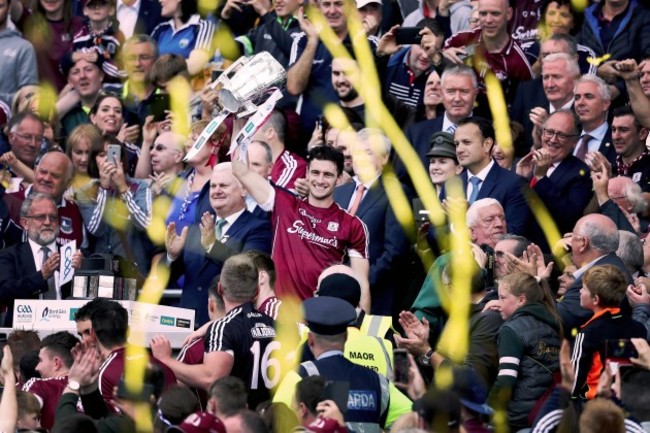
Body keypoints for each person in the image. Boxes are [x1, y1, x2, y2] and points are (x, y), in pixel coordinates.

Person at [232, 146, 370, 309]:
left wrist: (361, 329)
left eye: (328, 175)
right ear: (306, 173)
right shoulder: (283, 204)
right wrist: (238, 123)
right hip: (277, 314)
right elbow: (239, 169)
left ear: (338, 178)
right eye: (315, 172)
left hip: (318, 319)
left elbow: (362, 284)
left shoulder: (352, 224)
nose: (320, 180)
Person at [151, 253, 278, 410]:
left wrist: (165, 360)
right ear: (257, 291)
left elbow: (211, 377)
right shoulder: (276, 324)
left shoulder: (223, 328)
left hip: (237, 421)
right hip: (271, 418)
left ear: (220, 289)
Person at [275, 296, 412, 431]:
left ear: (310, 340)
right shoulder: (378, 382)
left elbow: (274, 421)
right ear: (346, 337)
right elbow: (414, 421)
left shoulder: (300, 376)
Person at [164, 162, 272, 326]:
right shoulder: (196, 229)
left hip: (230, 329)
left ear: (243, 189)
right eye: (213, 186)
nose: (216, 191)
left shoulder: (258, 228)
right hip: (187, 329)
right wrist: (172, 256)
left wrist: (212, 247)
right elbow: (166, 279)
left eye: (223, 185)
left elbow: (248, 272)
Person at [333, 129, 409, 315]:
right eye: (357, 152)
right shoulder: (340, 192)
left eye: (368, 152)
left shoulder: (396, 193)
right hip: (333, 292)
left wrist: (357, 283)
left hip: (375, 296)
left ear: (384, 158)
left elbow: (394, 253)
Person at [491, 272, 561, 432]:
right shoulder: (551, 323)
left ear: (521, 300)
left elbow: (506, 379)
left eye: (503, 298)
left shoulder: (511, 330)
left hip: (518, 417)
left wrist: (488, 410)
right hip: (544, 412)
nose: (498, 303)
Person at [75, 135, 153, 275]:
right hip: (101, 270)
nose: (106, 159)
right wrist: (104, 189)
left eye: (112, 153)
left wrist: (123, 188)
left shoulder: (140, 186)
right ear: (94, 160)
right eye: (101, 155)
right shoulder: (85, 191)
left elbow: (145, 223)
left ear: (122, 159)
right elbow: (95, 229)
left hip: (133, 270)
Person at [0, 193, 82, 326]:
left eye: (53, 217)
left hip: (66, 333)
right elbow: (4, 292)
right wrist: (41, 276)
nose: (48, 222)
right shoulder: (9, 255)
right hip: (23, 334)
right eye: (40, 217)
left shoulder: (72, 254)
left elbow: (86, 299)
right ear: (25, 223)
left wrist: (81, 274)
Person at [396, 65, 479, 189]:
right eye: (451, 91)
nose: (457, 98)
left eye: (464, 91)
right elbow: (401, 182)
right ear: (442, 93)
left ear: (475, 94)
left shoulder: (489, 133)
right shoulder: (415, 134)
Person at [571, 265, 646, 400]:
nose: (580, 292)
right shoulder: (638, 328)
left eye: (584, 288)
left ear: (595, 299)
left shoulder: (587, 333)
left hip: (595, 405)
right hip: (631, 403)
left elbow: (574, 380)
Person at [516, 109, 592, 239]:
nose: (553, 139)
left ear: (574, 141)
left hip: (549, 251)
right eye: (549, 132)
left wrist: (541, 178)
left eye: (561, 135)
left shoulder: (581, 174)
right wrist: (520, 179)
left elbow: (569, 218)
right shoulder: (527, 163)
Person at [448, 116, 531, 236]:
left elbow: (515, 234)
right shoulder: (451, 184)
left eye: (466, 142)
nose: (459, 149)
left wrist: (467, 217)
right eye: (457, 144)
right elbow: (433, 233)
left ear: (487, 144)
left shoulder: (514, 184)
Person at [90, 299, 176, 411]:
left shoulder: (104, 373)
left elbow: (108, 423)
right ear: (129, 331)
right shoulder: (163, 366)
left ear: (92, 334)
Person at [442, 0, 534, 101]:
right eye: (483, 14)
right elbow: (434, 67)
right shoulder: (461, 39)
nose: (488, 20)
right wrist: (442, 58)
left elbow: (525, 104)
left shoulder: (518, 61)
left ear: (508, 14)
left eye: (495, 13)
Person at [557, 213, 628, 334]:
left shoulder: (600, 276)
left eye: (573, 237)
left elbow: (560, 318)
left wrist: (533, 281)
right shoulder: (611, 265)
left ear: (583, 243)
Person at [22, 331, 79, 430]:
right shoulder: (94, 385)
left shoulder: (39, 386)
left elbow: (19, 415)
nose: (36, 367)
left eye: (40, 360)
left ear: (56, 363)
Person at [150, 1, 214, 76]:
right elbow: (145, 61)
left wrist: (157, 68)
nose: (160, 0)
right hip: (157, 87)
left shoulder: (202, 26)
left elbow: (195, 66)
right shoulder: (161, 29)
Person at [252, 110, 307, 193]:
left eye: (254, 128)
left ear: (270, 133)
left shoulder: (292, 165)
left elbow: (275, 199)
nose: (249, 133)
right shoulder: (249, 159)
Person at [0, 0, 38, 106]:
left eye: (0, 6)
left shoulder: (23, 48)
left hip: (7, 120)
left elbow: (30, 95)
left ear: (9, 8)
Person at [573, 75, 616, 165]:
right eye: (577, 98)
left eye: (589, 97)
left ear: (605, 104)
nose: (580, 103)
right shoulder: (568, 138)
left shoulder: (617, 140)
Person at [610, 106, 650, 193]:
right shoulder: (609, 167)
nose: (616, 137)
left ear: (642, 133)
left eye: (623, 130)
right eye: (613, 130)